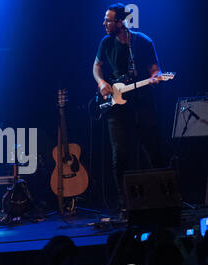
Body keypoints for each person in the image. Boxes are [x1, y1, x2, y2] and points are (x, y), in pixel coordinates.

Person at [92, 3, 163, 215]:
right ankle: (125, 202)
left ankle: (160, 197)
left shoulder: (143, 42)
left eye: (108, 20)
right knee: (120, 155)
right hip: (117, 107)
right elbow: (96, 66)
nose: (104, 23)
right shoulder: (106, 42)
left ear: (121, 23)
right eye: (105, 19)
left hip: (142, 104)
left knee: (153, 151)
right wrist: (101, 82)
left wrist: (154, 79)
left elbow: (155, 70)